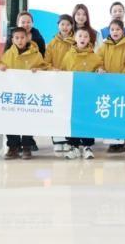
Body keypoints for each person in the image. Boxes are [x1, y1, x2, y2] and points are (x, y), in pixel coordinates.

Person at [0, 27, 50, 160]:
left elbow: (44, 67)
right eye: (17, 38)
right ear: (12, 40)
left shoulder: (36, 54)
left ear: (27, 38)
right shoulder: (8, 54)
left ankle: (27, 146)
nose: (20, 40)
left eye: (22, 37)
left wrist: (38, 70)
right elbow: (0, 67)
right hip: (13, 94)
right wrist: (1, 67)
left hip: (29, 94)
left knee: (28, 119)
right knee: (11, 120)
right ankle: (13, 147)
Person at [60, 28, 103, 159]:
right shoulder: (68, 55)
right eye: (80, 36)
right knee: (73, 120)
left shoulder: (94, 57)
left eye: (85, 36)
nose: (83, 38)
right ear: (75, 38)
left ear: (89, 39)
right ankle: (73, 146)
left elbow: (99, 70)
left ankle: (87, 146)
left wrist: (100, 70)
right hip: (73, 94)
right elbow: (63, 71)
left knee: (87, 119)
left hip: (88, 95)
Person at [97, 19, 125, 153]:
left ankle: (121, 141)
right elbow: (98, 61)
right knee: (109, 112)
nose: (115, 32)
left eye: (118, 29)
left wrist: (120, 77)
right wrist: (101, 70)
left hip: (123, 85)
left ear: (123, 31)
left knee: (121, 112)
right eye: (112, 29)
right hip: (107, 85)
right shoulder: (104, 46)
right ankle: (111, 142)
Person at [44, 14, 76, 155]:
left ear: (72, 26)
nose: (65, 27)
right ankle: (57, 141)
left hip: (71, 80)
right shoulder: (52, 43)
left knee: (68, 111)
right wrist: (52, 69)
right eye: (62, 24)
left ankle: (69, 140)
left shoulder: (76, 41)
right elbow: (46, 62)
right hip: (56, 80)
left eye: (68, 24)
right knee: (56, 109)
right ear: (58, 26)